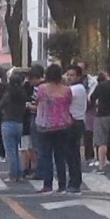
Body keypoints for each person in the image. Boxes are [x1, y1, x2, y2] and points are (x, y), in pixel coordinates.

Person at [34, 64, 73, 194]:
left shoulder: (42, 89)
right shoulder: (67, 90)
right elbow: (69, 103)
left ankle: (47, 185)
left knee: (46, 156)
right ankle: (62, 185)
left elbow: (37, 102)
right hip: (63, 125)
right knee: (60, 156)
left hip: (45, 125)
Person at [0, 73, 27, 182]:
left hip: (8, 122)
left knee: (10, 151)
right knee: (16, 149)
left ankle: (13, 175)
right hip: (19, 123)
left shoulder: (8, 95)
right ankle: (19, 173)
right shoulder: (22, 94)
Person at [66, 64, 87, 193]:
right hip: (73, 123)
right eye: (67, 75)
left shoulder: (77, 89)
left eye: (72, 75)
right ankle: (74, 181)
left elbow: (62, 98)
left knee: (72, 154)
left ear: (78, 76)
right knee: (71, 154)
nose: (68, 77)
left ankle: (75, 182)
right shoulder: (73, 88)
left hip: (74, 123)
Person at [24, 64, 45, 179]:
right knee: (39, 147)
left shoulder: (39, 88)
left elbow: (38, 106)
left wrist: (28, 105)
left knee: (37, 147)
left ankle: (39, 171)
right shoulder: (46, 86)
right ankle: (40, 170)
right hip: (42, 118)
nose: (29, 82)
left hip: (36, 117)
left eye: (30, 79)